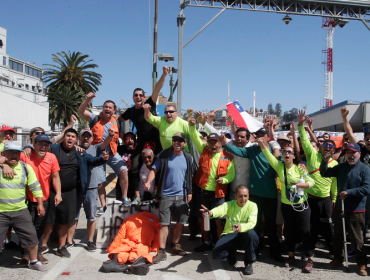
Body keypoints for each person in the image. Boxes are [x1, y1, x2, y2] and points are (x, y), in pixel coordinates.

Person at [219, 127, 284, 262]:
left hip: (270, 194)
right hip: (254, 194)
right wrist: (225, 144)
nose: (260, 137)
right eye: (258, 135)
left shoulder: (274, 151)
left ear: (268, 138)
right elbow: (239, 151)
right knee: (256, 224)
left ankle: (275, 251)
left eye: (262, 135)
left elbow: (282, 163)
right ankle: (255, 249)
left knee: (271, 225)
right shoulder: (252, 150)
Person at [43, 128, 109, 258]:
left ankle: (62, 247)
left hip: (72, 192)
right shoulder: (54, 149)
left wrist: (103, 159)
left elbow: (93, 161)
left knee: (66, 219)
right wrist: (28, 147)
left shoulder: (81, 153)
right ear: (64, 137)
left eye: (72, 136)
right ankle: (43, 245)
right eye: (68, 136)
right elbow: (41, 146)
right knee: (50, 220)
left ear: (75, 139)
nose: (70, 138)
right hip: (53, 190)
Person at [257, 138, 316, 273]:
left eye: (290, 152)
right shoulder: (279, 166)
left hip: (301, 205)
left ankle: (310, 259)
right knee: (289, 231)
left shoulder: (300, 168)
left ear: (294, 155)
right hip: (286, 205)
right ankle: (291, 257)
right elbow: (268, 155)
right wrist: (262, 145)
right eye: (284, 152)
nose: (287, 154)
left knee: (305, 231)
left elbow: (311, 183)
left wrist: (299, 185)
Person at [320, 143, 370, 276]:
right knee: (338, 236)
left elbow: (367, 188)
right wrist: (324, 161)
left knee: (357, 239)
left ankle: (361, 263)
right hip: (340, 208)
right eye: (348, 153)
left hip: (356, 210)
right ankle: (338, 259)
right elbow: (324, 173)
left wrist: (349, 192)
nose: (351, 155)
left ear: (359, 154)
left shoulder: (364, 169)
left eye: (353, 153)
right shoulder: (341, 167)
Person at [12, 134, 62, 266]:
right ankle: (25, 255)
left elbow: (55, 177)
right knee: (25, 228)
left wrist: (58, 193)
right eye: (40, 143)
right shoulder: (25, 156)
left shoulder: (52, 158)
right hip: (25, 199)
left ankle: (38, 252)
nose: (43, 146)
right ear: (34, 144)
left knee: (40, 227)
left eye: (46, 144)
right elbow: (7, 157)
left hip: (44, 198)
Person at [144, 132, 193, 263]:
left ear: (184, 143)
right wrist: (148, 182)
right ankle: (162, 250)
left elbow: (189, 176)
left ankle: (174, 244)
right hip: (166, 195)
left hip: (182, 195)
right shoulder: (164, 155)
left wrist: (190, 192)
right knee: (164, 223)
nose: (177, 142)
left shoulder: (188, 157)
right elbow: (153, 170)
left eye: (180, 140)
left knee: (181, 221)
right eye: (175, 140)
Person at [188, 117, 235, 251]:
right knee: (203, 220)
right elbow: (194, 136)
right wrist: (192, 126)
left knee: (219, 221)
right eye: (211, 142)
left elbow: (231, 174)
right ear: (207, 143)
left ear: (220, 143)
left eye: (216, 142)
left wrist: (224, 180)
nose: (213, 145)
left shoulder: (228, 156)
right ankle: (206, 242)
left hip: (218, 195)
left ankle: (219, 246)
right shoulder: (204, 150)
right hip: (203, 192)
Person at [0, 141, 47, 271]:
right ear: (4, 154)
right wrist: (2, 165)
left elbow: (35, 187)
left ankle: (33, 262)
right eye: (10, 153)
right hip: (1, 212)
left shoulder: (26, 168)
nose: (14, 155)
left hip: (20, 210)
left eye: (17, 153)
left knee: (31, 237)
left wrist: (40, 204)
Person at [297, 110, 337, 257]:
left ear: (334, 150)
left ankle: (334, 251)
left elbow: (334, 184)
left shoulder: (335, 164)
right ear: (320, 147)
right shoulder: (312, 155)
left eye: (330, 147)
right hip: (310, 199)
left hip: (325, 200)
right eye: (325, 145)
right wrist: (301, 124)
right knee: (310, 227)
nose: (327, 148)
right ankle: (309, 250)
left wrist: (333, 199)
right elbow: (305, 140)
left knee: (328, 227)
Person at [78, 94, 130, 206]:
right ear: (102, 108)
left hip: (112, 152)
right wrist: (87, 99)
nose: (107, 109)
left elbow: (121, 136)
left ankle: (125, 197)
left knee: (124, 171)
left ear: (114, 110)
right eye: (106, 107)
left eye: (110, 107)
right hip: (98, 154)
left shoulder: (117, 121)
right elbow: (81, 111)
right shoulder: (95, 118)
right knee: (100, 181)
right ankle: (104, 205)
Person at [67, 128, 114, 252]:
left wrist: (110, 135)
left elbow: (105, 143)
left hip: (91, 188)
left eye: (88, 136)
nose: (86, 138)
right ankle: (69, 240)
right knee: (74, 216)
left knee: (91, 216)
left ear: (92, 138)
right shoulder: (74, 149)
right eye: (84, 136)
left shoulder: (95, 148)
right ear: (79, 138)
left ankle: (90, 241)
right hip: (77, 188)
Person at [201, 185, 258, 275]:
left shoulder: (253, 206)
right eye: (240, 196)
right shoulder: (229, 204)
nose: (243, 199)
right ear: (235, 196)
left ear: (248, 196)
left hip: (244, 234)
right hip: (230, 234)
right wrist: (211, 213)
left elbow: (252, 223)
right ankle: (231, 254)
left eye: (245, 196)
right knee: (216, 253)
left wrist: (241, 227)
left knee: (252, 234)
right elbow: (220, 209)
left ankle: (249, 262)